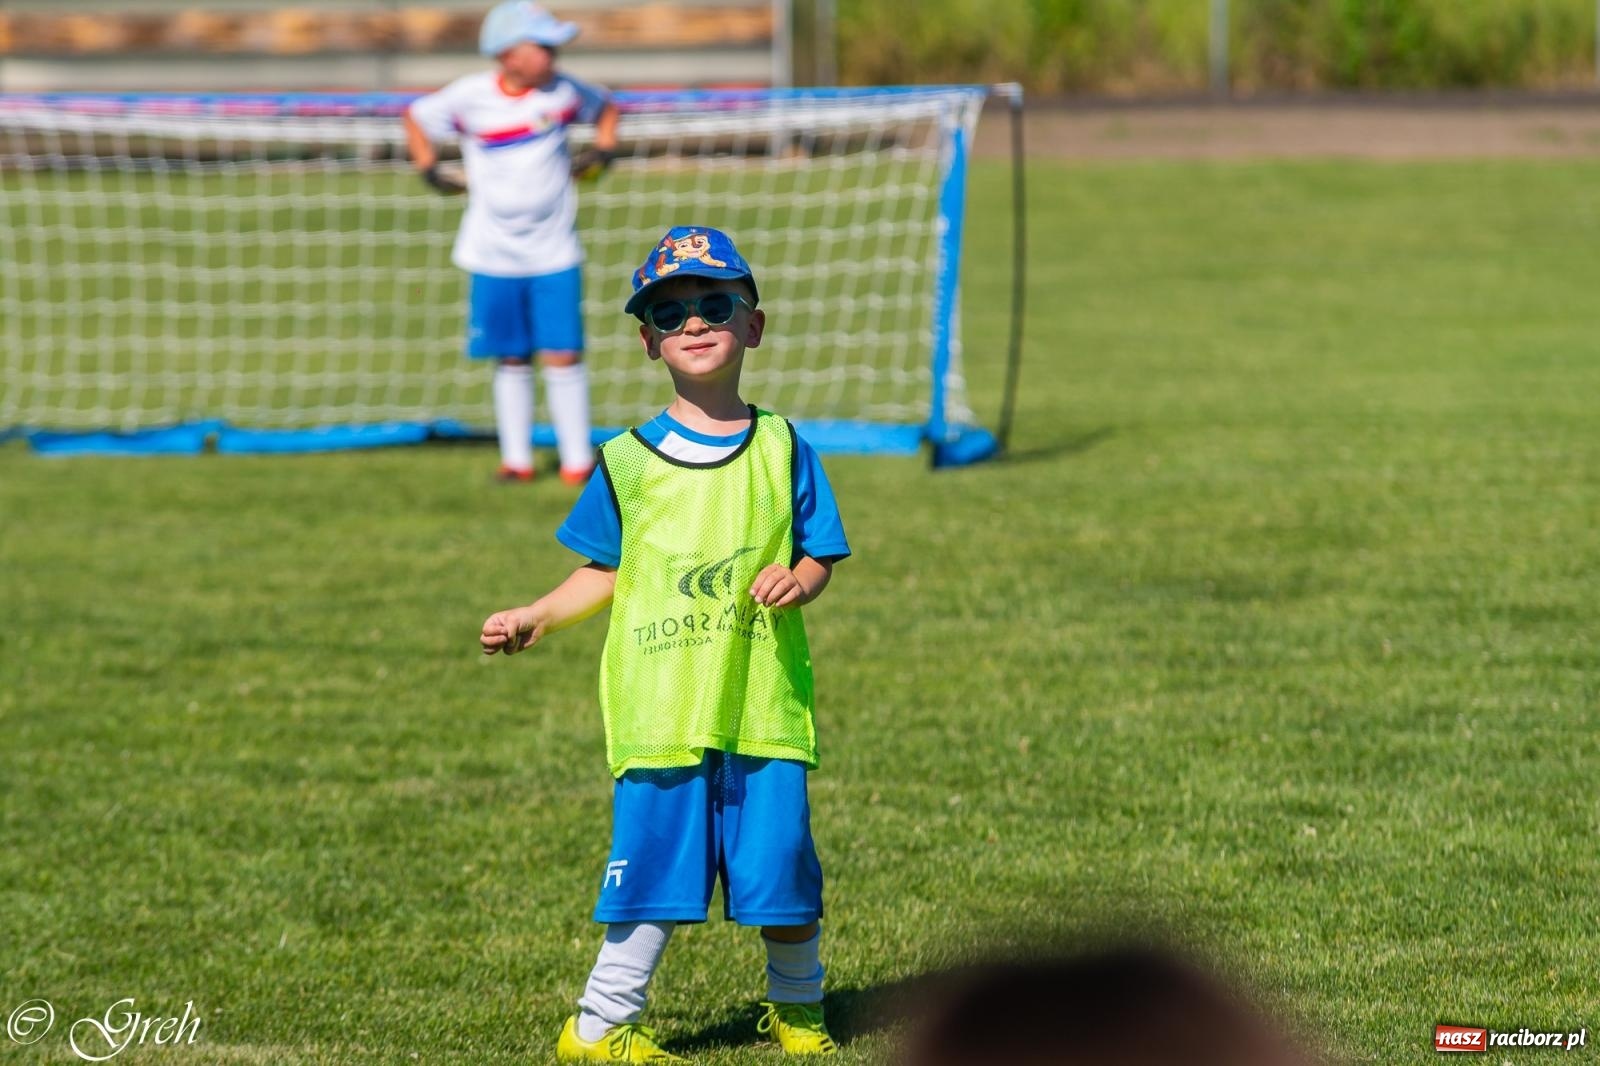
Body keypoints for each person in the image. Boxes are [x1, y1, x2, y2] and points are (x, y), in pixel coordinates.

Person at [479, 225, 850, 1061]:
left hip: (761, 705)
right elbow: (604, 571)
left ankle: (800, 1011)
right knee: (653, 874)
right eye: (670, 313)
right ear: (649, 341)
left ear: (753, 325)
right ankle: (599, 1026)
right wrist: (538, 614)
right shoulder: (625, 462)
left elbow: (819, 551)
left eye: (714, 304)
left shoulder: (786, 446)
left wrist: (800, 580)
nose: (695, 323)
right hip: (662, 712)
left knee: (782, 871)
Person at [403, 1, 620, 484]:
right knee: (511, 356)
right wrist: (428, 169)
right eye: (543, 47)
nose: (553, 55)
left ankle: (577, 463)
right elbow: (416, 117)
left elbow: (606, 108)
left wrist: (603, 151)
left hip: (554, 250)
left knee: (563, 354)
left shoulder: (564, 93)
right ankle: (516, 461)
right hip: (492, 252)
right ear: (508, 55)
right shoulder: (469, 97)